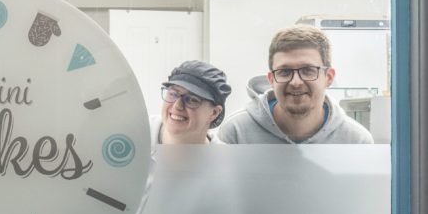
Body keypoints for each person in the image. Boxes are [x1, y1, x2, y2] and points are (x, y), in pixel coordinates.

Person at [216, 25, 373, 144]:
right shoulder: (235, 133)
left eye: (308, 70)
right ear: (271, 79)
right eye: (284, 72)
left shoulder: (356, 141)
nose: (296, 82)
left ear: (329, 77)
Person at [150, 60, 232, 148]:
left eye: (192, 100)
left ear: (214, 113)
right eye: (173, 94)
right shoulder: (139, 132)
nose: (177, 106)